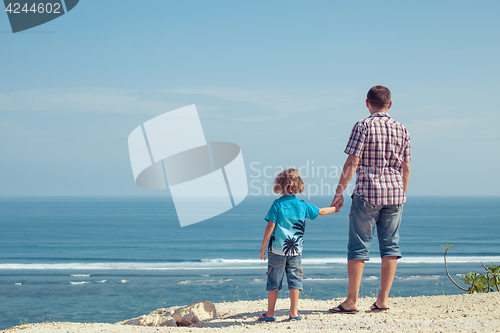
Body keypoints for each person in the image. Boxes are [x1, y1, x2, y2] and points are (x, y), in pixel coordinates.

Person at [330, 85, 411, 313]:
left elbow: (352, 162)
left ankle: (351, 301)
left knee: (358, 247)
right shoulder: (402, 129)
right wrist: (401, 193)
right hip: (395, 195)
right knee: (390, 246)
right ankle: (382, 300)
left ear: (367, 103)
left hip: (368, 193)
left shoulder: (363, 125)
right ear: (390, 104)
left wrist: (339, 192)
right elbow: (406, 168)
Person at [258, 169, 337, 322]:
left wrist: (262, 247)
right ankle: (294, 312)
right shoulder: (302, 205)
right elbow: (320, 212)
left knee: (274, 281)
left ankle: (270, 313)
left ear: (279, 185)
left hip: (277, 250)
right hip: (295, 251)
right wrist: (335, 208)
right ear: (298, 185)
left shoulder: (277, 204)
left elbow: (270, 226)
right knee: (294, 280)